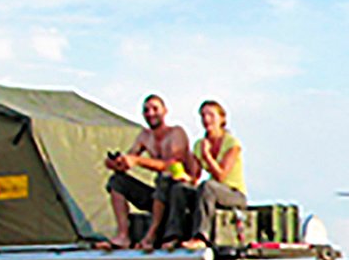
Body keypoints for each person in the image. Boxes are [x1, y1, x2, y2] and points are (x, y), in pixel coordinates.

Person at [101, 94, 192, 249]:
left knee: (164, 179)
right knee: (117, 182)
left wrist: (138, 161)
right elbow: (130, 158)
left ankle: (152, 235)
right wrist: (116, 163)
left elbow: (173, 165)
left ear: (165, 111)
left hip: (178, 194)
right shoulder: (145, 136)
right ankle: (123, 235)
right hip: (157, 196)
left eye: (155, 109)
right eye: (146, 110)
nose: (150, 113)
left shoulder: (176, 133)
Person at [171, 99, 249, 250]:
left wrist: (207, 156)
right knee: (179, 190)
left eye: (211, 115)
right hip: (210, 193)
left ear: (222, 119)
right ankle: (174, 235)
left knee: (209, 186)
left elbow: (221, 176)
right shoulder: (199, 144)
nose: (206, 120)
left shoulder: (232, 144)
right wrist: (183, 176)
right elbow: (195, 177)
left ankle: (201, 237)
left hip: (233, 193)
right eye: (203, 116)